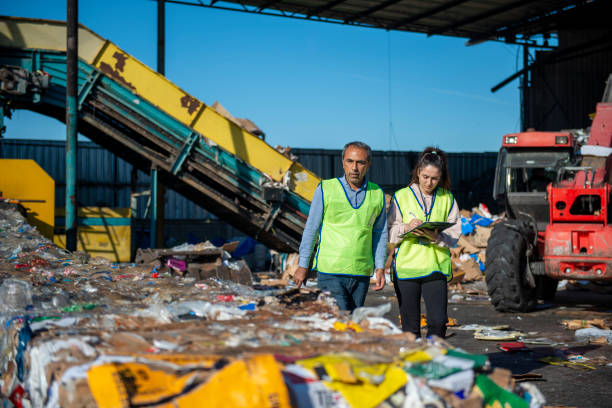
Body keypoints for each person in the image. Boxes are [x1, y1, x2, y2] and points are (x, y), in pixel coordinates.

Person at [293, 141, 387, 311]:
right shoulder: (325, 189)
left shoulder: (377, 194)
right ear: (343, 162)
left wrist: (380, 267)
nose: (355, 168)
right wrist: (303, 265)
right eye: (350, 161)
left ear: (368, 165)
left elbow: (379, 233)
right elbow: (311, 229)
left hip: (361, 274)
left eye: (360, 162)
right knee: (340, 320)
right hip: (330, 272)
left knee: (351, 326)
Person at [388, 147, 460, 338]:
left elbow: (454, 233)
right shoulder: (401, 196)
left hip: (435, 267)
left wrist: (437, 238)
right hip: (407, 267)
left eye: (434, 178)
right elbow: (389, 231)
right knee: (410, 326)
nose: (429, 182)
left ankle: (434, 363)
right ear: (418, 172)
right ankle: (414, 365)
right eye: (425, 176)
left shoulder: (447, 199)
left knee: (438, 322)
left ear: (441, 177)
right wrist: (406, 227)